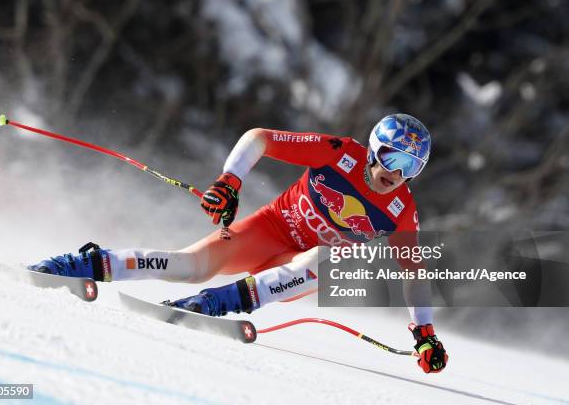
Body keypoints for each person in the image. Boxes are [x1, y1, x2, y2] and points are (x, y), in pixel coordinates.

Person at [29, 114, 448, 374]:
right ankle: (83, 264)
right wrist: (231, 180)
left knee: (336, 260)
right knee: (189, 264)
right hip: (270, 229)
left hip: (296, 268)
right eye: (392, 157)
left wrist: (424, 332)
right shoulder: (340, 154)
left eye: (411, 166)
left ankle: (217, 302)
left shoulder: (401, 210)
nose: (398, 172)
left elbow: (414, 274)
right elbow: (259, 137)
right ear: (374, 149)